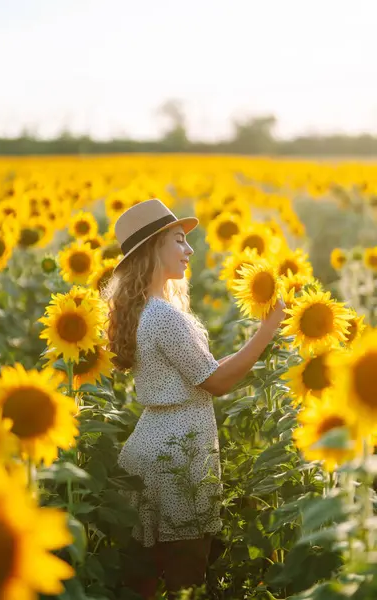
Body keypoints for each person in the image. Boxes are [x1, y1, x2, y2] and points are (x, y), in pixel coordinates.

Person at [105, 198, 285, 599]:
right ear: (153, 248)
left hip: (153, 446)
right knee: (186, 578)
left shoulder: (147, 310)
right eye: (179, 240)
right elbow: (215, 382)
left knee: (145, 581)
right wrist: (267, 330)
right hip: (176, 456)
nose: (189, 251)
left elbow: (197, 371)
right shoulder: (163, 316)